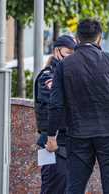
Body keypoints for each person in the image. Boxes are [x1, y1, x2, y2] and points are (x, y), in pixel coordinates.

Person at [45, 18, 109, 194]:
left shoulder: (64, 65)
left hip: (79, 135)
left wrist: (51, 137)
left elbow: (54, 104)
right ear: (99, 39)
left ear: (76, 39)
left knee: (75, 186)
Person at [34, 35, 76, 194]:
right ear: (56, 51)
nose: (72, 56)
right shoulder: (48, 76)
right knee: (53, 188)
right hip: (54, 145)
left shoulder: (67, 74)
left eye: (74, 53)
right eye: (68, 52)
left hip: (69, 143)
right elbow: (56, 101)